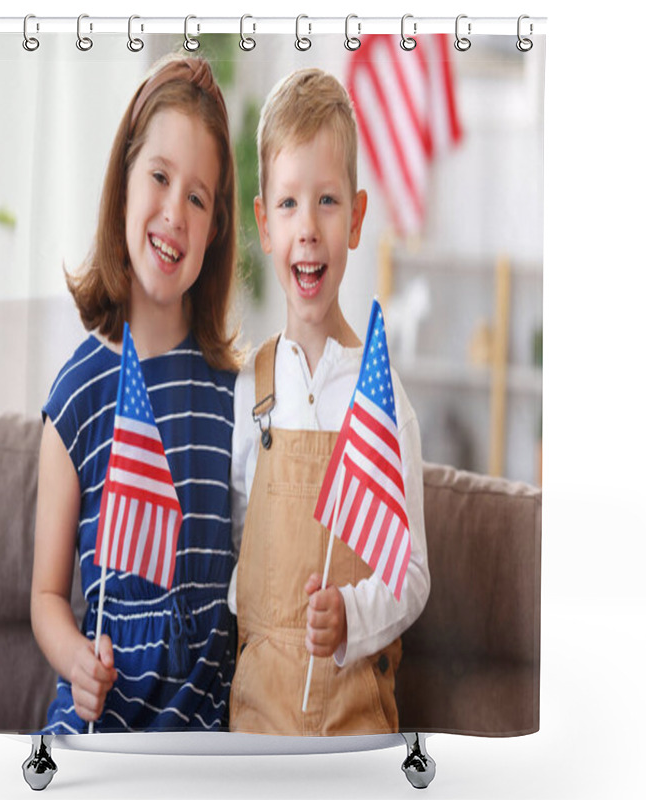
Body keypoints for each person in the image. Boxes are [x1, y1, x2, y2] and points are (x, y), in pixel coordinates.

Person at [31, 54, 241, 733]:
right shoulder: (77, 395)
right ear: (123, 183)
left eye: (198, 197)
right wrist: (76, 662)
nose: (174, 212)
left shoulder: (237, 396)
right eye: (158, 177)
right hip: (101, 728)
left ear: (214, 232)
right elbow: (44, 597)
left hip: (205, 734)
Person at [228, 68, 430, 736]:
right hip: (257, 723)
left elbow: (413, 573)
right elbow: (236, 547)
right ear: (263, 223)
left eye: (327, 202)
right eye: (287, 204)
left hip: (353, 722)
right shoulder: (251, 391)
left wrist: (353, 613)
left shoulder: (382, 402)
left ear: (357, 219)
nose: (307, 228)